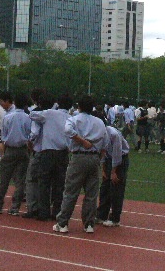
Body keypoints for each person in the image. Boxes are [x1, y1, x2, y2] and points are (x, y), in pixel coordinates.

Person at [54, 95, 107, 234]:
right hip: (94, 158)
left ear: (79, 107)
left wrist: (82, 141)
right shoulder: (99, 122)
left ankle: (63, 222)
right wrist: (99, 159)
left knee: (71, 192)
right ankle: (89, 224)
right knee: (91, 194)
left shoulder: (74, 119)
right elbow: (104, 143)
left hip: (79, 156)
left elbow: (67, 130)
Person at [26, 90, 70, 221]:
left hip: (48, 151)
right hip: (63, 152)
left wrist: (38, 108)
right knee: (59, 183)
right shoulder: (70, 117)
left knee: (44, 183)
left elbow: (32, 115)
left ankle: (43, 211)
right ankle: (56, 211)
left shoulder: (49, 114)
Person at [0, 92, 31, 215]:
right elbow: (30, 135)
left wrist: (3, 153)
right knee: (20, 181)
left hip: (10, 149)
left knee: (4, 179)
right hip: (23, 150)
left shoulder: (8, 117)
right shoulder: (28, 118)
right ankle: (15, 208)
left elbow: (3, 137)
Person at [97, 125, 130, 227]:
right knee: (104, 188)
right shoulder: (97, 133)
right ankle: (101, 215)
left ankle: (115, 218)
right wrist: (103, 169)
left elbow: (117, 154)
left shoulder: (113, 134)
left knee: (116, 187)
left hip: (120, 159)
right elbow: (102, 151)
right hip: (108, 159)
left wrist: (114, 172)